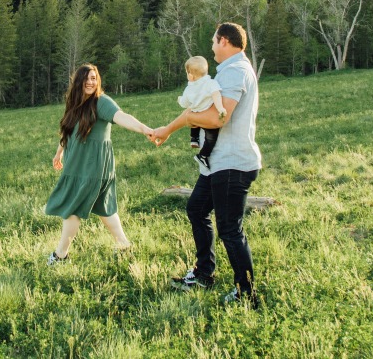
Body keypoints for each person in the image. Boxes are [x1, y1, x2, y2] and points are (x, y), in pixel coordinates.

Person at [151, 22, 262, 307]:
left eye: (214, 41)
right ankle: (204, 273)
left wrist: (186, 120)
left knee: (230, 229)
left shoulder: (236, 71)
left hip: (232, 164)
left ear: (224, 41)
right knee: (197, 208)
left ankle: (246, 294)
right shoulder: (225, 71)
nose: (211, 46)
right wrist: (168, 128)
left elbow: (216, 119)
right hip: (216, 164)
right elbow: (200, 109)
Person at [44, 63, 153, 265]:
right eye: (86, 78)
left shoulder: (101, 102)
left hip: (91, 167)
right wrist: (59, 152)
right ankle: (124, 246)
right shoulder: (75, 103)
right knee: (105, 208)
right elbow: (67, 131)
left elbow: (122, 117)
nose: (90, 82)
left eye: (94, 78)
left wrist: (145, 129)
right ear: (78, 81)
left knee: (72, 208)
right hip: (77, 164)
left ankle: (60, 255)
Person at [177, 55, 226, 169]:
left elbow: (184, 103)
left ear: (191, 76)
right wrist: (220, 108)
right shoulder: (211, 83)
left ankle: (195, 140)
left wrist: (180, 99)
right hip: (206, 115)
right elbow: (216, 94)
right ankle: (203, 155)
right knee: (211, 137)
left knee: (194, 121)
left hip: (196, 115)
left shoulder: (188, 89)